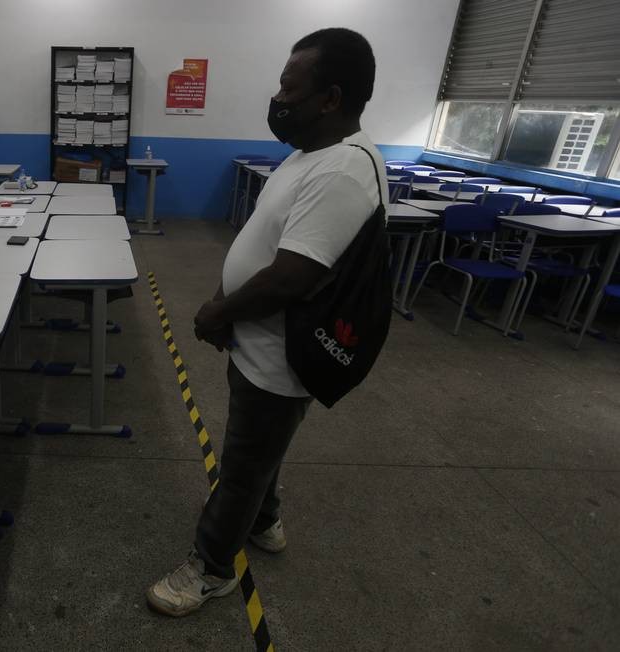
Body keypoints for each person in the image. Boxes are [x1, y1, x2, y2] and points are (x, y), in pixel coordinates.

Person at [146, 28, 388, 617]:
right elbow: (264, 242)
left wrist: (216, 311)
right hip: (258, 341)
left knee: (242, 465)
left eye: (289, 85)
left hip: (279, 357)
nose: (278, 97)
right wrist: (225, 295)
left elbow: (291, 278)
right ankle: (267, 520)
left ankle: (210, 567)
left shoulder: (341, 172)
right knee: (260, 450)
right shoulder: (312, 155)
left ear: (330, 98)